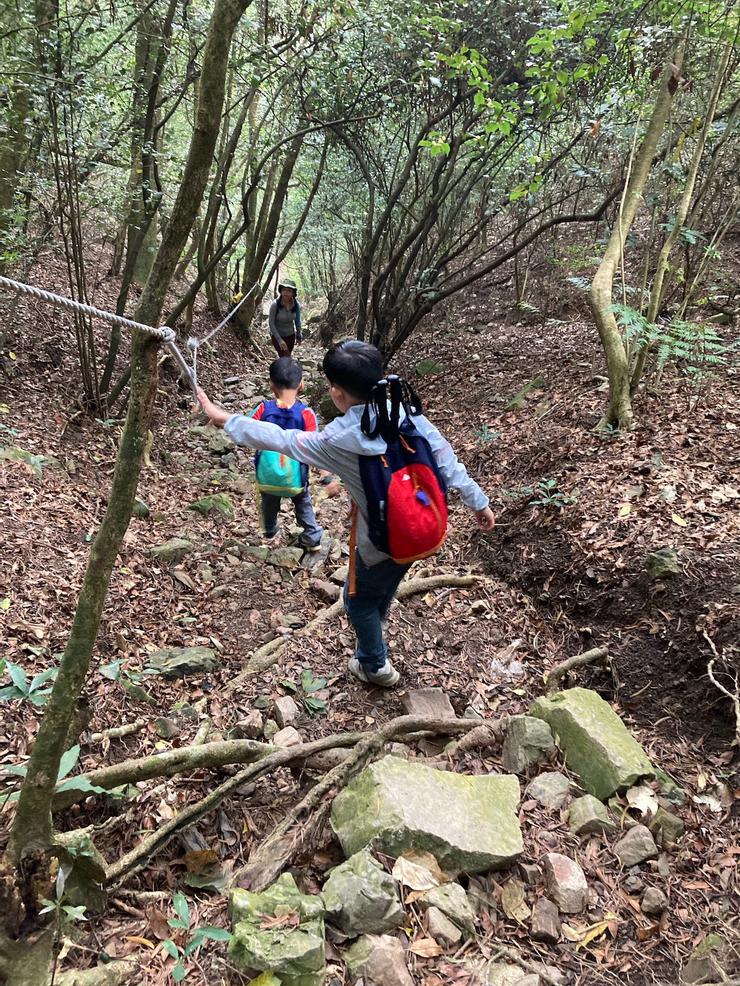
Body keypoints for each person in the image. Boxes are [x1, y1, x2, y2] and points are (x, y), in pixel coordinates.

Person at [197, 340, 494, 688]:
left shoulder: (339, 440)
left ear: (337, 394)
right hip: (424, 527)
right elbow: (448, 462)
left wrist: (227, 419)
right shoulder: (408, 413)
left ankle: (373, 665)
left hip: (379, 541)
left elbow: (283, 440)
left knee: (355, 602)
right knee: (387, 580)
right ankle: (378, 615)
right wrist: (479, 502)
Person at [249, 357, 324, 550]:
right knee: (303, 502)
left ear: (271, 385)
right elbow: (315, 445)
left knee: (269, 503)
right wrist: (324, 474)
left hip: (268, 476)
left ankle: (270, 530)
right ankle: (311, 535)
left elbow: (247, 429)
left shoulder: (264, 408)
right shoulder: (306, 413)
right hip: (295, 477)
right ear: (301, 385)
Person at [268, 278, 302, 355]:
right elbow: (271, 323)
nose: (286, 293)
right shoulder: (275, 305)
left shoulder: (296, 305)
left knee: (287, 355)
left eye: (289, 291)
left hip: (290, 336)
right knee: (286, 357)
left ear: (293, 293)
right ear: (281, 291)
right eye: (284, 290)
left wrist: (299, 335)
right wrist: (279, 340)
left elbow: (297, 321)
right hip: (277, 335)